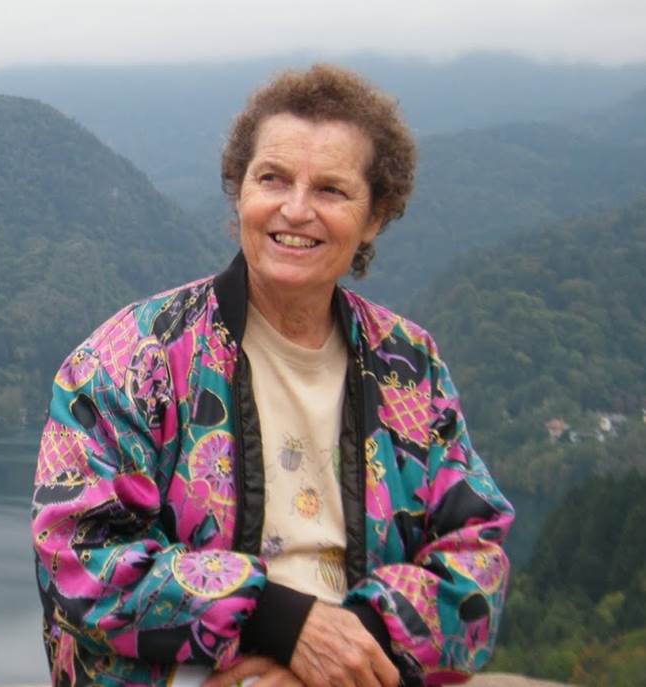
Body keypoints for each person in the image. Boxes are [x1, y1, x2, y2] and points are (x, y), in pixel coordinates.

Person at [32, 64, 514, 687]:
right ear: (239, 191)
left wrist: (347, 644)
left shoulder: (408, 365)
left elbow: (478, 558)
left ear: (375, 215)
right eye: (272, 179)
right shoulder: (134, 357)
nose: (296, 209)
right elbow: (74, 556)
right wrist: (280, 625)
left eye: (331, 190)